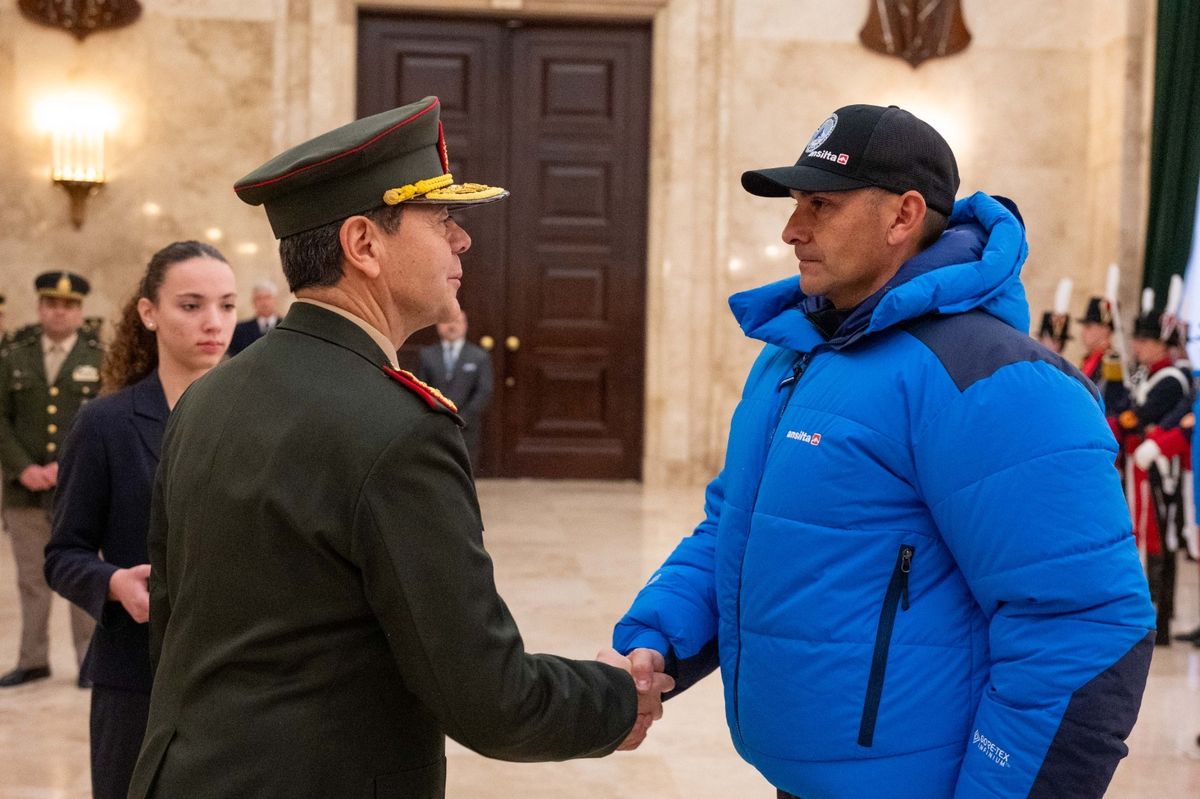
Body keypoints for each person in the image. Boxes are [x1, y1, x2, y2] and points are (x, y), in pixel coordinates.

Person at [127, 96, 670, 799]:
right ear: (363, 244)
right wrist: (617, 698)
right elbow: (486, 695)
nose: (462, 241)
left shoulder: (210, 395)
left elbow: (173, 627)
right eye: (442, 219)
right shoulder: (398, 427)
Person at [612, 104, 1155, 799]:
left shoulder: (990, 379)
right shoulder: (793, 356)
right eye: (795, 202)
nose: (791, 229)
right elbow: (735, 530)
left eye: (821, 204)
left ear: (903, 215)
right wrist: (657, 637)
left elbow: (1083, 625)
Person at [43, 242, 236, 799]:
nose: (213, 323)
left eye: (226, 306)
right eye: (191, 305)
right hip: (137, 677)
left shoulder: (259, 416)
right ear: (149, 312)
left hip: (237, 676)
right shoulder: (105, 424)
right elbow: (63, 554)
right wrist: (113, 583)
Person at [0, 271, 102, 687]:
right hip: (23, 491)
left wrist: (70, 465)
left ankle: (89, 663)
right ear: (40, 307)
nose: (60, 312)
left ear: (80, 312)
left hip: (80, 490)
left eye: (69, 305)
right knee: (31, 580)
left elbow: (107, 421)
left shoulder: (100, 357)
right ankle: (33, 659)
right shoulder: (13, 357)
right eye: (52, 304)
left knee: (85, 576)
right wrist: (22, 467)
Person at [1119, 309, 1192, 645]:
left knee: (1162, 540)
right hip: (1142, 467)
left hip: (1164, 473)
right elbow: (1128, 413)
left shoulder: (1172, 380)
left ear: (1161, 344)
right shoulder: (1146, 374)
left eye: (1145, 340)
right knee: (1149, 539)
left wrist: (1138, 421)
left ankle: (1159, 620)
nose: (1138, 346)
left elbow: (1141, 416)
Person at [416, 309, 493, 466]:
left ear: (465, 325)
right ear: (438, 325)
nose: (451, 326)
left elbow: (484, 390)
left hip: (467, 426)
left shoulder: (479, 356)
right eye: (446, 322)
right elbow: (420, 387)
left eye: (457, 321)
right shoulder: (426, 355)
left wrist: (463, 418)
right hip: (434, 425)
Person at [227, 279, 280, 355]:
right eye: (259, 298)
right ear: (253, 302)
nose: (264, 302)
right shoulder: (239, 330)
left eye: (267, 297)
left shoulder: (288, 326)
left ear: (275, 300)